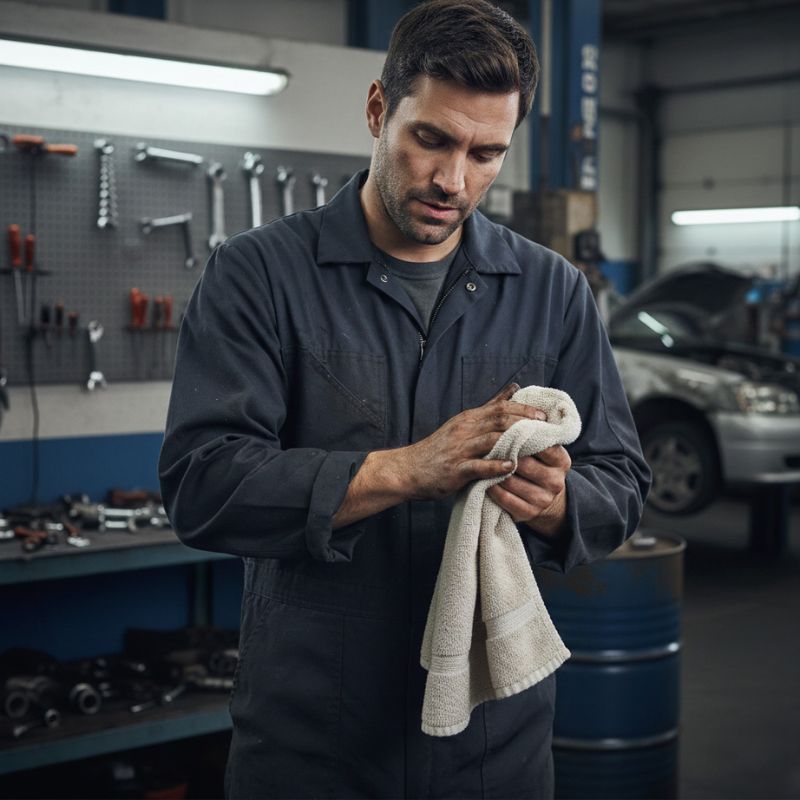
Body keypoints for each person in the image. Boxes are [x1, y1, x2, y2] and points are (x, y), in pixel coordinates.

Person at [159, 1, 651, 797]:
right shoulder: (258, 275)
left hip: (493, 748)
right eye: (432, 139)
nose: (454, 181)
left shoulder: (553, 291)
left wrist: (559, 503)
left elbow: (622, 483)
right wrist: (409, 469)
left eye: (486, 154)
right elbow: (203, 483)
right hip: (315, 742)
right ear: (377, 110)